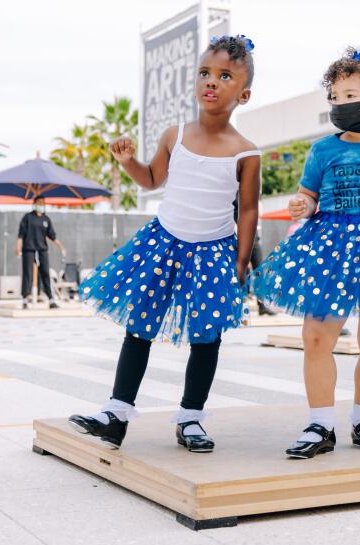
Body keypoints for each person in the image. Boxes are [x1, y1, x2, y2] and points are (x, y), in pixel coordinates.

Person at [70, 35, 260, 452]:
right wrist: (128, 163)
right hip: (164, 242)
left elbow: (247, 210)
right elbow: (153, 180)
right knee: (139, 326)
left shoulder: (246, 152)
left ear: (243, 94)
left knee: (206, 337)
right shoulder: (176, 135)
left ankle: (191, 418)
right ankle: (116, 414)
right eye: (205, 73)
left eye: (224, 76)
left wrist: (241, 261)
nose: (211, 82)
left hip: (213, 251)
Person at [252, 42, 360, 459]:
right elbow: (307, 197)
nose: (340, 104)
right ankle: (320, 424)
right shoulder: (323, 149)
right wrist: (303, 205)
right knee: (316, 336)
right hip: (329, 246)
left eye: (350, 96)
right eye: (334, 97)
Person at [15, 196, 67, 309]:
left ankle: (51, 299)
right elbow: (21, 234)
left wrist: (61, 247)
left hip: (42, 249)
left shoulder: (46, 219)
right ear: (34, 203)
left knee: (45, 273)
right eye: (39, 203)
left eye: (43, 203)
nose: (41, 205)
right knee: (27, 274)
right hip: (29, 249)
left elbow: (52, 236)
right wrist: (18, 246)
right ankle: (25, 298)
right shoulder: (27, 217)